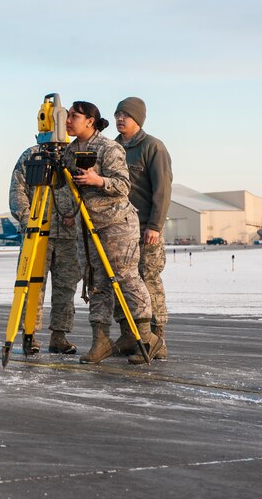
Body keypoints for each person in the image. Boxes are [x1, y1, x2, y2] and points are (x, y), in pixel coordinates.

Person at [61, 101, 163, 364]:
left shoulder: (109, 148)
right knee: (95, 282)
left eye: (74, 116)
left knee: (127, 278)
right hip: (89, 227)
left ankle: (147, 338)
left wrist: (98, 180)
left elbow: (123, 185)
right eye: (67, 116)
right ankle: (101, 340)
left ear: (90, 121)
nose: (68, 120)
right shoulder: (69, 152)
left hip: (116, 224)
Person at [113, 97, 173, 362]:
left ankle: (156, 338)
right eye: (117, 114)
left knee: (148, 281)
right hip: (118, 230)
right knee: (123, 284)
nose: (120, 119)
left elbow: (163, 190)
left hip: (145, 229)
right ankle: (129, 335)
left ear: (138, 119)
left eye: (126, 114)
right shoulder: (112, 147)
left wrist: (155, 226)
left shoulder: (153, 148)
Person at [9, 145, 81, 354]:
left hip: (68, 236)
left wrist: (75, 214)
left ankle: (59, 336)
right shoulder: (32, 156)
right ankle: (29, 335)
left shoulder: (75, 154)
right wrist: (27, 219)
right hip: (37, 233)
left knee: (66, 288)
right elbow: (17, 190)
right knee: (32, 286)